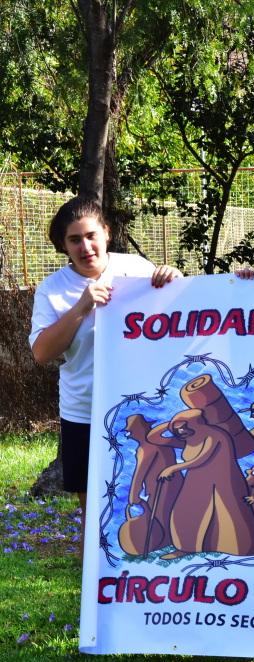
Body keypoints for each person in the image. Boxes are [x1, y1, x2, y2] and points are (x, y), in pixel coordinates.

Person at [29, 197, 182, 545]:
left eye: (91, 235)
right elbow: (41, 353)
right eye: (74, 240)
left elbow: (182, 320)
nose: (85, 246)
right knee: (94, 518)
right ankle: (94, 598)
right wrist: (82, 306)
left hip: (144, 413)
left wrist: (176, 281)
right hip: (84, 414)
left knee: (157, 501)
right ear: (63, 246)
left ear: (107, 233)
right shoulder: (52, 290)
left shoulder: (138, 269)